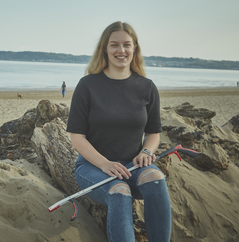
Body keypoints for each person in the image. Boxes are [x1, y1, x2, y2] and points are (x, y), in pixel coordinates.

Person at [66, 21, 171, 242]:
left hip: (134, 164)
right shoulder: (87, 85)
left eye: (126, 45)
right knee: (120, 190)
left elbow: (153, 133)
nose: (121, 50)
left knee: (156, 178)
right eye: (114, 45)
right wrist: (105, 163)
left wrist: (145, 151)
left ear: (135, 49)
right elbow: (77, 136)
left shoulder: (147, 87)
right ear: (105, 48)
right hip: (93, 167)